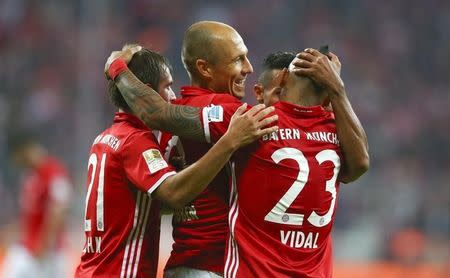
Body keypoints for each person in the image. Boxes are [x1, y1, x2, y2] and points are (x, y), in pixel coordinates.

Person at [105, 44, 369, 277]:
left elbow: (156, 112)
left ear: (283, 80)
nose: (247, 68)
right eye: (238, 59)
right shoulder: (335, 130)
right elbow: (360, 164)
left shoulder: (253, 121)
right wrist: (338, 91)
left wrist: (116, 66)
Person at [75, 46, 277, 278]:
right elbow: (173, 193)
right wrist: (230, 141)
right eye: (168, 86)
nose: (173, 96)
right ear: (147, 92)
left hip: (92, 269)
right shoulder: (135, 142)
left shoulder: (106, 138)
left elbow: (143, 208)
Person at [160, 21, 254, 278]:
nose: (249, 68)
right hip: (215, 265)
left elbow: (162, 203)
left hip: (182, 264)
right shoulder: (228, 110)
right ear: (205, 68)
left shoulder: (172, 119)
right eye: (238, 59)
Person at [1, 132, 73, 278]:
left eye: (17, 157)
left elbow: (59, 210)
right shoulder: (30, 176)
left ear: (25, 150)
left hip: (48, 255)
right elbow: (31, 215)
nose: (17, 162)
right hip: (29, 249)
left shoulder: (54, 172)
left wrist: (45, 246)